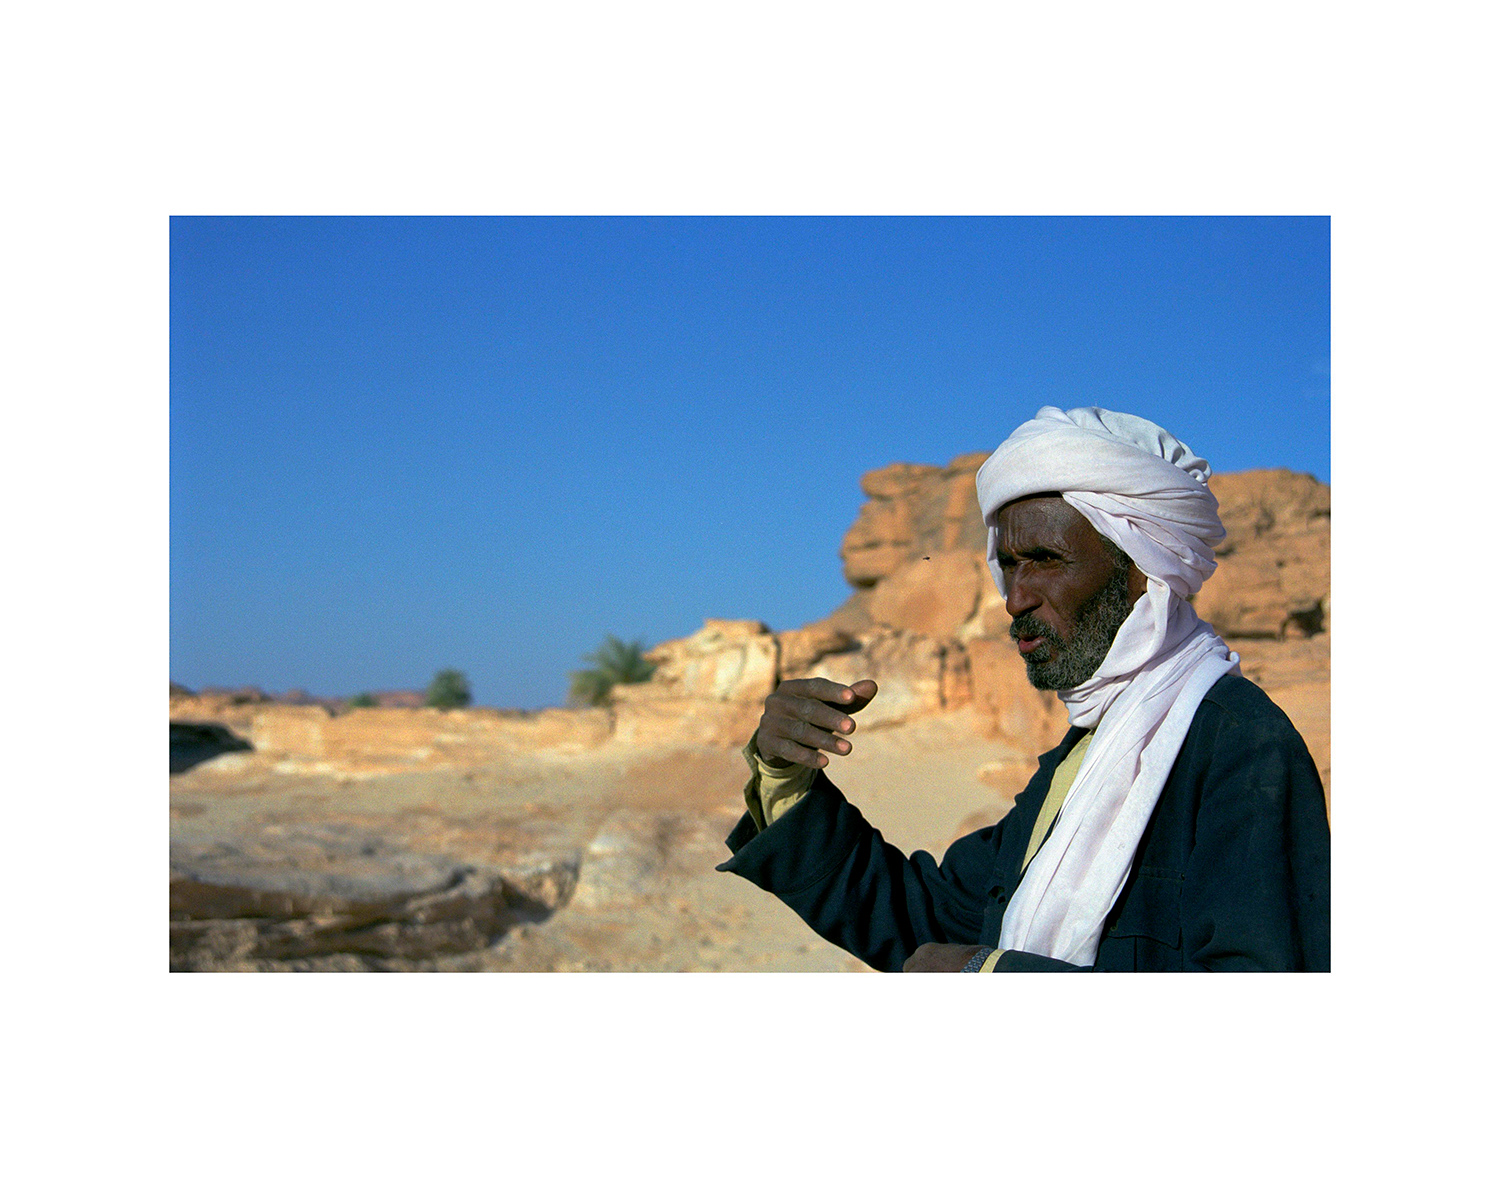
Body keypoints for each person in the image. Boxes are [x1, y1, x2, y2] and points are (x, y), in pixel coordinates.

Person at [716, 406, 1330, 972]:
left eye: (1045, 559)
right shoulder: (1092, 752)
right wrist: (785, 779)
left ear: (1143, 567)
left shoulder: (1238, 746)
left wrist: (994, 978)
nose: (1015, 598)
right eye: (1009, 564)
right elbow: (933, 918)